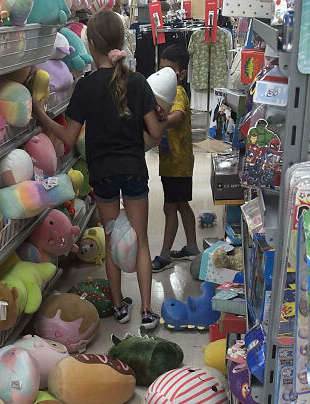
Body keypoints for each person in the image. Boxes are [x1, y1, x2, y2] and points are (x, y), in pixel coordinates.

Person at [32, 9, 166, 329]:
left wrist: (41, 115)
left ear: (90, 44)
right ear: (121, 41)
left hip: (102, 172)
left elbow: (68, 137)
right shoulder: (138, 82)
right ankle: (147, 310)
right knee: (141, 240)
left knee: (111, 238)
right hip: (133, 168)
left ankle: (118, 306)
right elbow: (155, 133)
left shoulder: (86, 86)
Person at [151, 45, 199, 273]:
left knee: (170, 207)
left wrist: (157, 124)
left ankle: (164, 255)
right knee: (181, 205)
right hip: (174, 162)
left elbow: (178, 116)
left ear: (182, 73)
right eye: (161, 69)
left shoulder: (177, 92)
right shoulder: (169, 93)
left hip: (177, 164)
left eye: (169, 70)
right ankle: (192, 247)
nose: (164, 75)